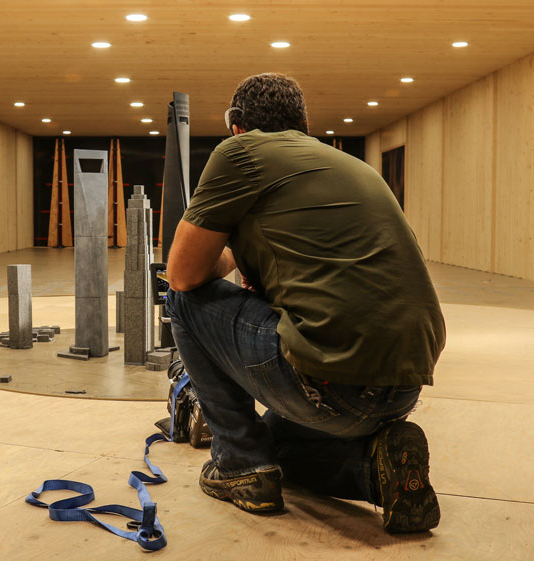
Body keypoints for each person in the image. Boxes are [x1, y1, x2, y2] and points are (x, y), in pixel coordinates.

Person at [164, 73, 446, 533]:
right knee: (276, 442)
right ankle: (378, 467)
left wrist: (222, 259)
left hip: (328, 384)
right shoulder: (350, 164)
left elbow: (183, 274)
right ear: (304, 123)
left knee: (181, 302)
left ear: (236, 125)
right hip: (403, 389)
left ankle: (240, 466)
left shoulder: (239, 151)